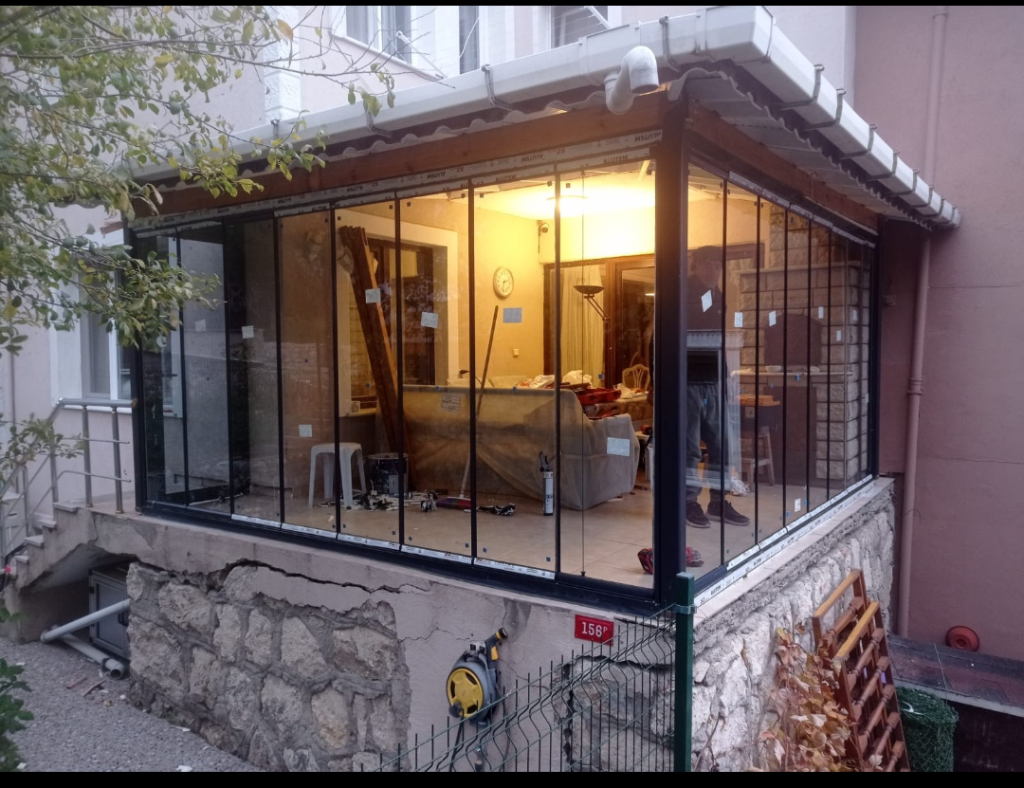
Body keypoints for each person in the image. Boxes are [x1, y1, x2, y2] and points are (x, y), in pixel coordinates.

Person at [684, 245, 749, 529]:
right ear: (696, 265)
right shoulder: (682, 293)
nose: (715, 270)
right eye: (710, 264)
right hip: (687, 381)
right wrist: (657, 382)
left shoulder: (717, 295)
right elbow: (658, 336)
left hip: (713, 381)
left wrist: (726, 378)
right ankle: (688, 503)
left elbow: (717, 339)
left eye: (719, 265)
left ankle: (718, 503)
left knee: (723, 445)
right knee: (690, 450)